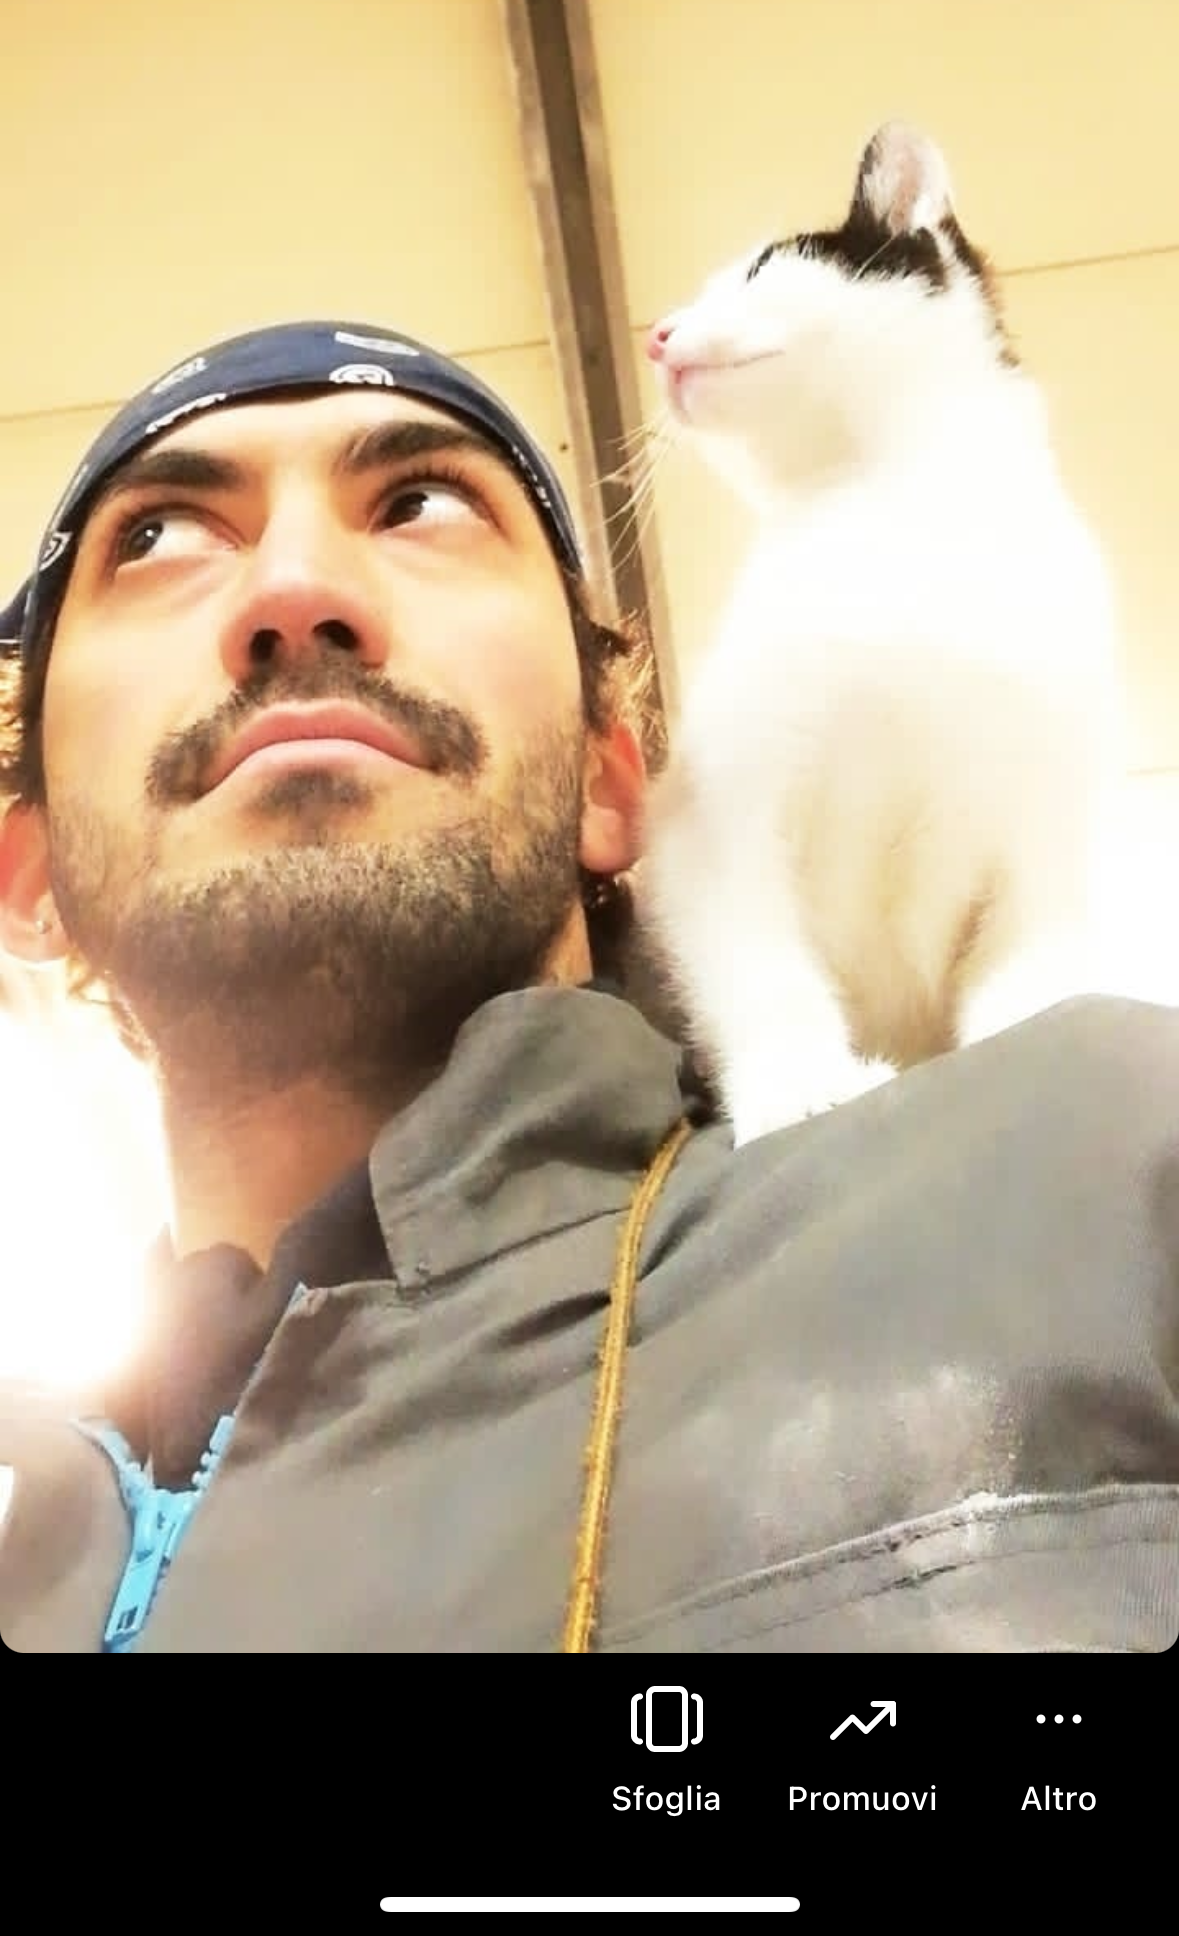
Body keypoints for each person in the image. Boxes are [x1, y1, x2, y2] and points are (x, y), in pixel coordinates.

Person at [0, 317, 1175, 1655]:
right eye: (160, 536)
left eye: (422, 503)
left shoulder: (1111, 1169)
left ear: (611, 786)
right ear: (27, 873)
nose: (296, 588)